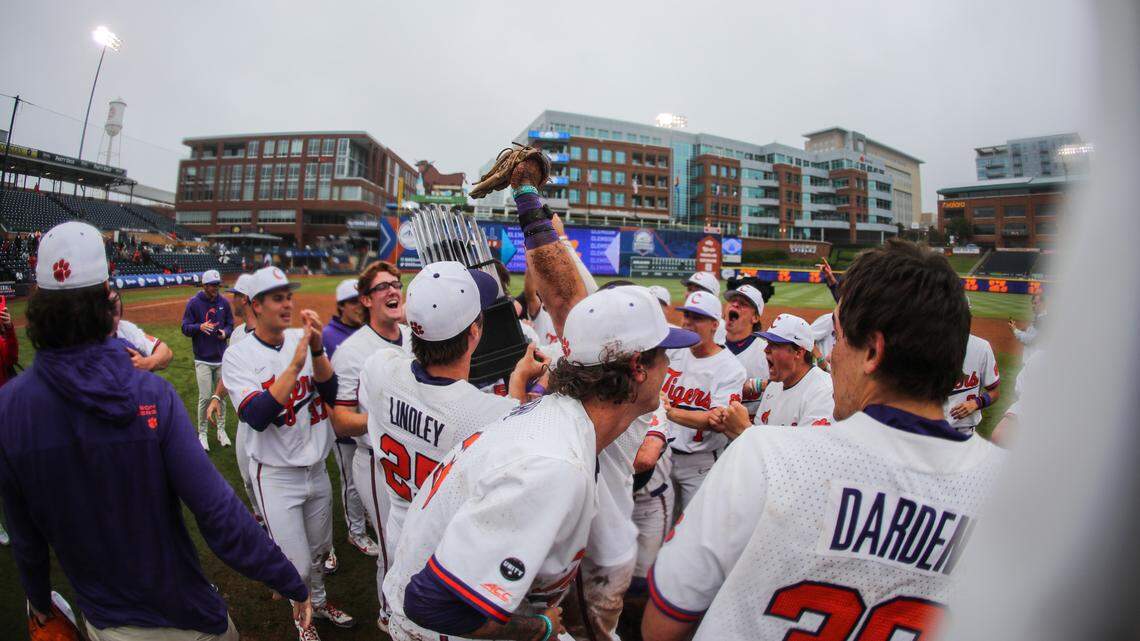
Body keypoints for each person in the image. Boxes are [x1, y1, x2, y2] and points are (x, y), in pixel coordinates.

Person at [642, 239, 1007, 641]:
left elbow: (663, 625)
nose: (829, 358)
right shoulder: (1012, 491)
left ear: (872, 351)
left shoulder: (761, 455)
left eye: (837, 339)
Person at [0, 222, 309, 641]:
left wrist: (39, 606)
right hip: (185, 615)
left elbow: (26, 540)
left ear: (36, 304)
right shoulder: (151, 395)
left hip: (104, 620)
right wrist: (288, 579)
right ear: (110, 302)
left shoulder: (10, 407)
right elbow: (217, 513)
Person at [383, 286, 699, 641]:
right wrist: (541, 627)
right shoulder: (553, 465)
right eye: (664, 354)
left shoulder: (560, 416)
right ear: (637, 366)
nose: (670, 365)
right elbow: (431, 604)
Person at [365, 261, 543, 560]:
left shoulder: (379, 366)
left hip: (399, 528)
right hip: (447, 553)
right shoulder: (488, 415)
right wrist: (520, 379)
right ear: (475, 333)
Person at [220, 266, 355, 641]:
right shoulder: (239, 355)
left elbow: (331, 392)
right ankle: (303, 619)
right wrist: (297, 363)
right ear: (256, 305)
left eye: (288, 296)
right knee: (295, 566)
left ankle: (321, 603)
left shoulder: (301, 338)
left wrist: (315, 349)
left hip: (317, 468)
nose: (288, 303)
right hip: (276, 474)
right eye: (278, 298)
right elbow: (256, 415)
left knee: (320, 551)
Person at [329, 261, 411, 629]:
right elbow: (341, 420)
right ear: (365, 299)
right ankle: (387, 615)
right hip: (376, 460)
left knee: (419, 540)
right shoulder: (351, 351)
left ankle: (415, 610)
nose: (393, 291)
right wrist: (387, 421)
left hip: (416, 457)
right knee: (393, 547)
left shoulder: (415, 337)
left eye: (397, 284)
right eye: (383, 287)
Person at [663, 290, 747, 510]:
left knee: (693, 531)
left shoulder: (730, 368)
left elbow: (718, 421)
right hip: (663, 455)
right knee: (662, 528)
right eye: (687, 316)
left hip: (700, 464)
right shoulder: (673, 352)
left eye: (697, 318)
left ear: (714, 325)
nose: (689, 323)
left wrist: (670, 412)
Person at [206, 273, 263, 523]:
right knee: (248, 478)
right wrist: (217, 397)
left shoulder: (268, 332)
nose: (232, 301)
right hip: (244, 422)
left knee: (267, 476)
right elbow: (229, 372)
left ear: (247, 299)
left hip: (265, 420)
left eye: (236, 296)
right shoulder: (238, 333)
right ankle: (260, 516)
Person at [744, 313, 835, 428]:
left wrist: (744, 428)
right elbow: (760, 430)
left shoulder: (822, 392)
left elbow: (807, 445)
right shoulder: (774, 386)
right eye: (768, 343)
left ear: (798, 352)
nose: (766, 350)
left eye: (774, 345)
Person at [181, 268, 233, 451]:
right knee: (204, 397)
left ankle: (221, 430)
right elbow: (185, 327)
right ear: (204, 285)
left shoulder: (224, 303)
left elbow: (230, 325)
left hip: (221, 358)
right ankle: (202, 433)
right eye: (212, 285)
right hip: (202, 358)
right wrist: (199, 327)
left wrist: (224, 332)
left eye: (217, 285)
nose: (215, 288)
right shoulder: (194, 303)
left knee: (221, 398)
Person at [723, 284, 769, 417]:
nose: (735, 305)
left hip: (749, 431)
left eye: (742, 303)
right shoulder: (711, 344)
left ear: (755, 318)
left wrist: (756, 385)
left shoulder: (766, 351)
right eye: (732, 301)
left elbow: (785, 384)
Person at [944, 333, 1001, 436]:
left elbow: (994, 392)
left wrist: (976, 403)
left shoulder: (981, 347)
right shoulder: (921, 345)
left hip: (964, 434)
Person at [109, 289, 174, 371]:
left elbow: (166, 352)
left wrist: (146, 363)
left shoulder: (124, 328)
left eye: (114, 312)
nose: (107, 317)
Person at [323, 279, 366, 357]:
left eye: (363, 300)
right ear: (341, 305)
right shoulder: (326, 336)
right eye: (354, 301)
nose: (361, 306)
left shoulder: (372, 331)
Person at [681, 271, 726, 344]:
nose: (690, 295)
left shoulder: (719, 328)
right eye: (689, 289)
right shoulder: (686, 321)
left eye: (698, 292)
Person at [1009, 290, 1047, 357]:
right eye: (1032, 303)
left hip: (1032, 360)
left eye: (1035, 303)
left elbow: (1029, 340)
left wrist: (1015, 330)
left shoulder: (1041, 320)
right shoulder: (1041, 318)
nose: (1033, 306)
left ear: (1042, 304)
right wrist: (1026, 329)